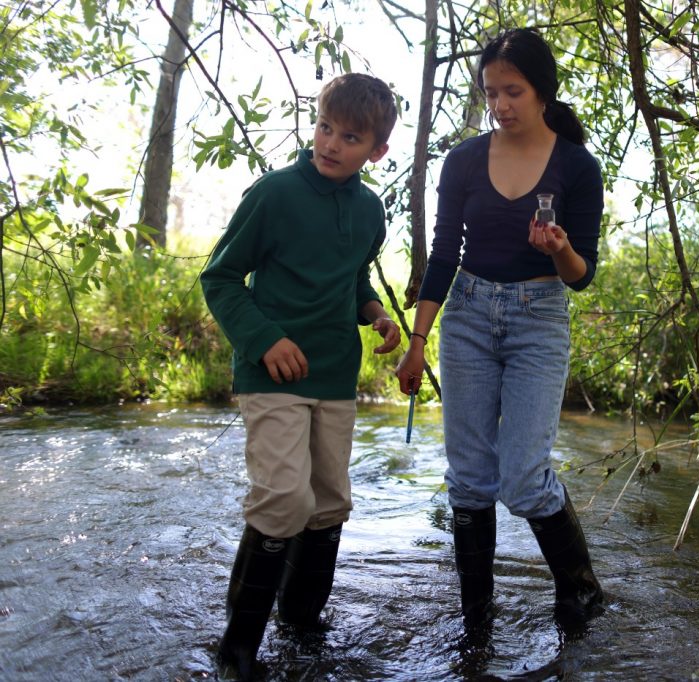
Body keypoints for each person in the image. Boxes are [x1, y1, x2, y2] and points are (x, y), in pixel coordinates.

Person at [394, 27, 604, 629]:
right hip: (466, 318)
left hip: (539, 316)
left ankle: (581, 592)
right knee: (469, 479)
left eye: (512, 91)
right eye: (491, 93)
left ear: (542, 91)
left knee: (524, 477)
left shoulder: (577, 167)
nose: (500, 105)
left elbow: (580, 276)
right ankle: (476, 617)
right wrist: (416, 344)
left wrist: (559, 247)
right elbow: (442, 256)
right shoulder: (462, 161)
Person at [201, 73, 401, 680]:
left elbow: (353, 279)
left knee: (330, 501)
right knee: (285, 497)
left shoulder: (370, 210)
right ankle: (236, 650)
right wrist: (264, 339)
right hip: (272, 374)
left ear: (376, 151)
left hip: (335, 374)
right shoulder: (274, 193)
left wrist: (374, 312)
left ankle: (302, 625)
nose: (331, 143)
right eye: (324, 128)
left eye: (349, 136)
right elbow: (220, 278)